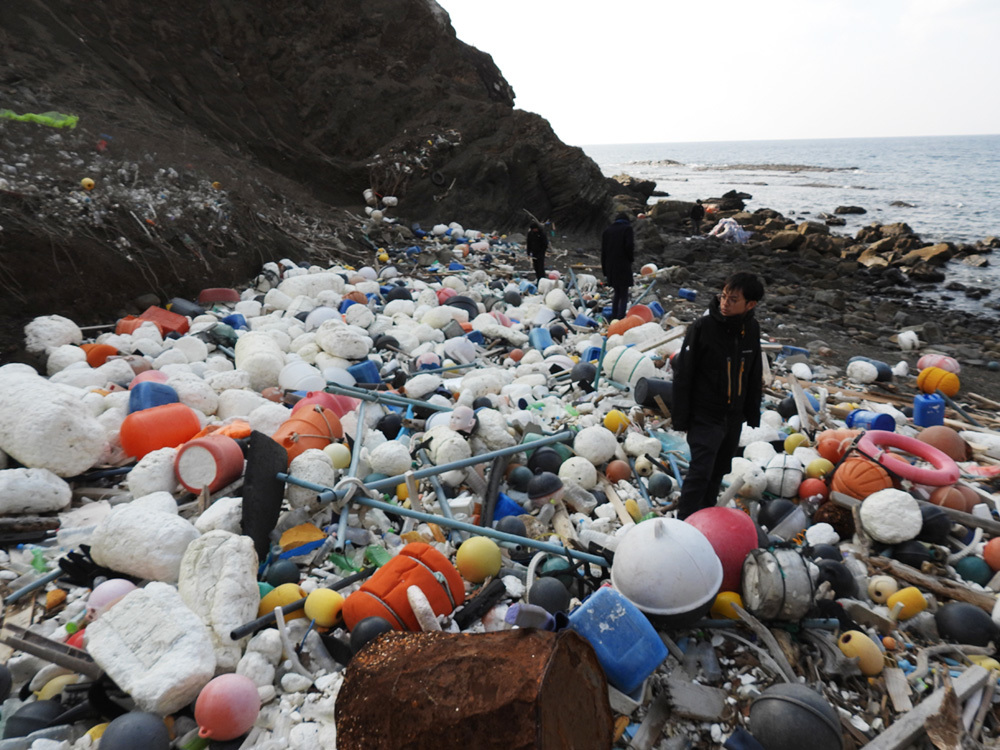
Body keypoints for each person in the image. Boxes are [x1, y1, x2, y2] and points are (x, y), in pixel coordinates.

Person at [670, 272, 765, 520]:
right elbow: (683, 373)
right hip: (705, 414)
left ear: (750, 304)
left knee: (719, 470)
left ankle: (706, 519)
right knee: (700, 471)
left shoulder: (751, 329)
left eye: (733, 299)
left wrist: (752, 413)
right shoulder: (703, 327)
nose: (725, 303)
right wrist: (681, 418)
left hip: (733, 417)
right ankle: (684, 523)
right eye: (723, 296)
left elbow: (754, 372)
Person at [601, 213, 635, 320]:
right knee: (624, 293)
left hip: (610, 266)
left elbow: (603, 252)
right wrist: (630, 258)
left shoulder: (607, 231)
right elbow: (629, 246)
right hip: (623, 264)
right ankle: (620, 317)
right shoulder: (627, 229)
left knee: (616, 293)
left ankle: (614, 316)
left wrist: (605, 270)